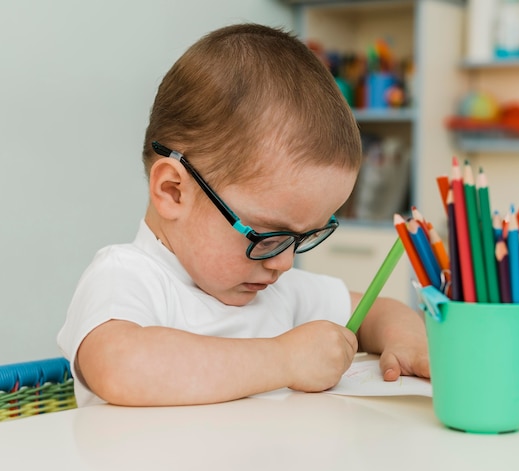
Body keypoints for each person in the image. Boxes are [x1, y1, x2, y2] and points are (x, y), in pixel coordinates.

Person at [57, 23, 429, 407]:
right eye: (267, 235)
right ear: (173, 191)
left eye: (304, 238)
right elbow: (119, 368)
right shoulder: (128, 278)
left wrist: (408, 342)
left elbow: (379, 311)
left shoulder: (278, 293)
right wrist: (284, 359)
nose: (285, 263)